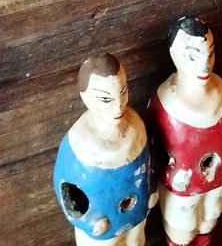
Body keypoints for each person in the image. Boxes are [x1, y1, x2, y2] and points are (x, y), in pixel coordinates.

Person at [148, 16, 222, 246]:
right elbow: (153, 149)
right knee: (182, 231)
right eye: (193, 56)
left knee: (209, 221)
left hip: (217, 181)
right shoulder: (165, 104)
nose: (204, 66)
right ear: (175, 55)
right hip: (182, 191)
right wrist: (169, 175)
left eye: (210, 54)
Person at [53, 53, 156, 246]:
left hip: (137, 216)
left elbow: (149, 163)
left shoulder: (137, 128)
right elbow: (64, 186)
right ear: (86, 97)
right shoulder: (79, 143)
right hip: (103, 228)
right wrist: (87, 221)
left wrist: (151, 190)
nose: (119, 106)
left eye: (123, 92)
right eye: (106, 99)